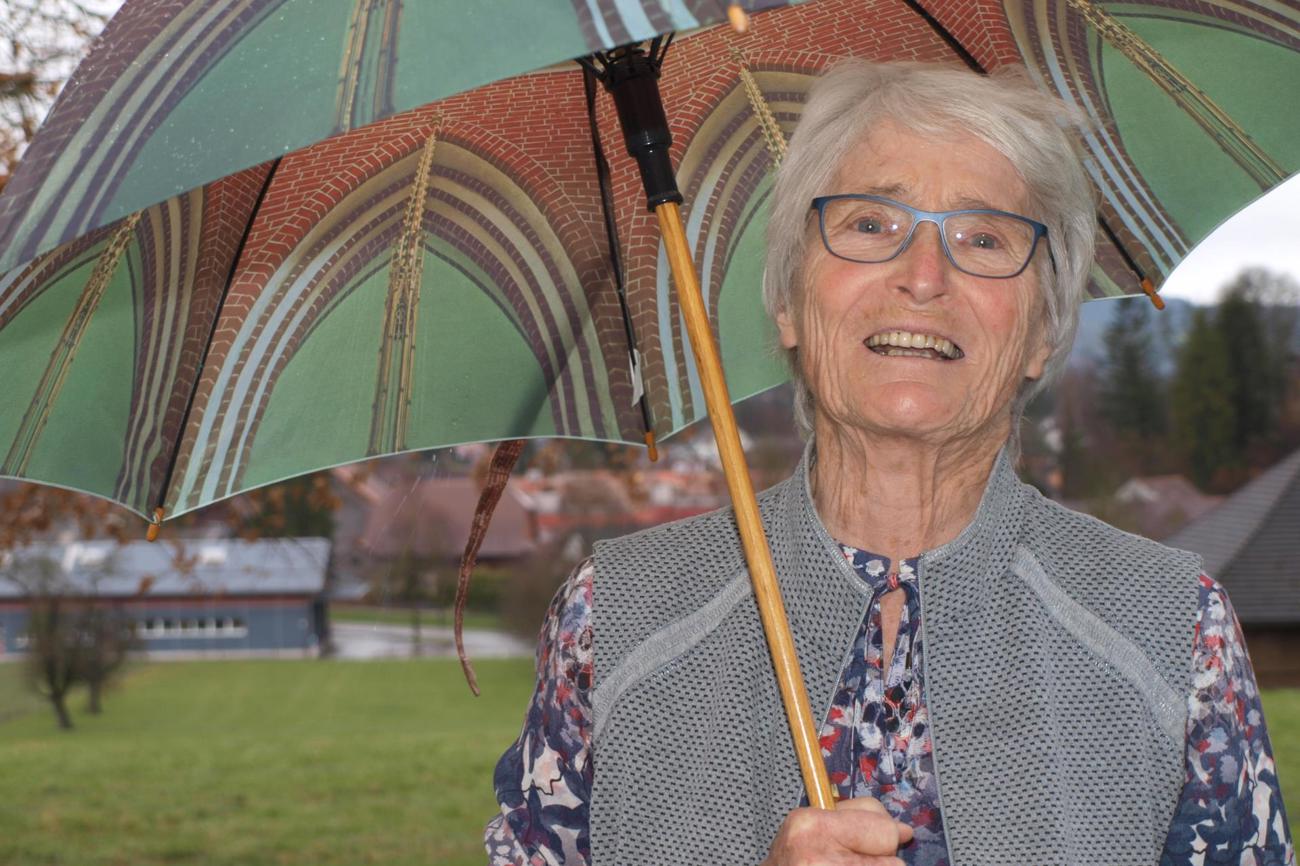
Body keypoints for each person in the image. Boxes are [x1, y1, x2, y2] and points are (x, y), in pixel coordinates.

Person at [484, 60, 1295, 866]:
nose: (923, 277)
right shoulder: (613, 617)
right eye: (872, 224)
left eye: (984, 237)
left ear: (1043, 332)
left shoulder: (1177, 633)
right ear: (791, 300)